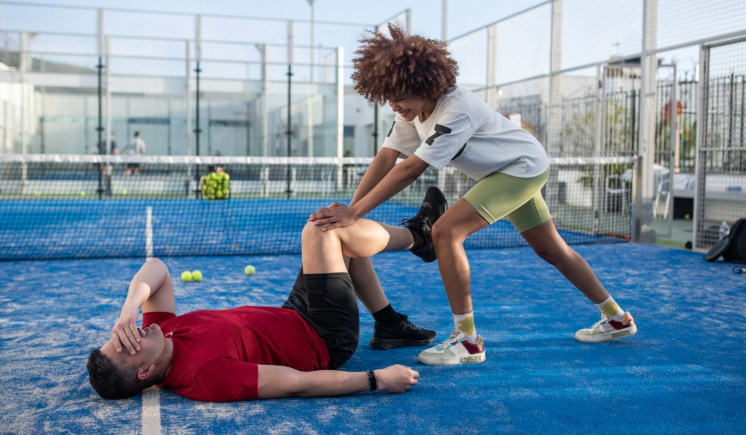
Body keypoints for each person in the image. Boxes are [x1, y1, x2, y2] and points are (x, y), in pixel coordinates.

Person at [309, 24, 638, 366]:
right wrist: (351, 211)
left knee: (445, 231)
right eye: (389, 95)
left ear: (425, 83)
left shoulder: (456, 107)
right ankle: (617, 318)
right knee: (550, 248)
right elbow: (387, 157)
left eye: (402, 93)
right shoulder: (407, 111)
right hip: (504, 170)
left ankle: (467, 340)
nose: (395, 103)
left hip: (521, 167)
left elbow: (411, 169)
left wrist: (354, 214)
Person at [86, 190, 446, 401]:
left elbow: (157, 268)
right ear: (147, 370)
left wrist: (129, 309)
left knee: (340, 241)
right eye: (126, 343)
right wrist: (377, 379)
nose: (130, 332)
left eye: (119, 334)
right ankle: (419, 235)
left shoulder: (161, 334)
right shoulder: (204, 377)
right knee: (322, 231)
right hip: (325, 337)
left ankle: (389, 325)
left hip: (293, 313)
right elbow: (297, 384)